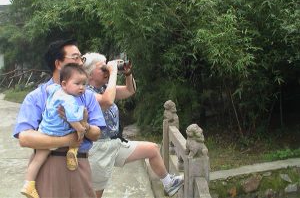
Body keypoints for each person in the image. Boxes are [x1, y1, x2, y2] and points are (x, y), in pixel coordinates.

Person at [13, 39, 106, 198]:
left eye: (81, 58)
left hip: (80, 163)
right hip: (49, 164)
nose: (80, 62)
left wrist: (85, 125)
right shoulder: (37, 97)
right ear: (58, 63)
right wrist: (67, 140)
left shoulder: (88, 96)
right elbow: (25, 138)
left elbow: (96, 134)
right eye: (75, 57)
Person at [83, 52, 184, 198]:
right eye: (102, 68)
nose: (107, 70)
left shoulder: (106, 89)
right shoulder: (86, 93)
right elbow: (107, 101)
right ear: (89, 74)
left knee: (153, 149)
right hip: (99, 149)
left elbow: (130, 90)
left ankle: (169, 183)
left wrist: (128, 73)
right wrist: (112, 73)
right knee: (95, 195)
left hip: (115, 143)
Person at [21, 63, 89, 198]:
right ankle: (72, 151)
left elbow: (48, 89)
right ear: (64, 84)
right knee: (82, 117)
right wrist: (81, 129)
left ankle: (28, 184)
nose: (81, 87)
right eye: (77, 84)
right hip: (60, 132)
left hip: (45, 130)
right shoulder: (69, 100)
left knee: (38, 159)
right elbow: (72, 119)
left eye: (84, 84)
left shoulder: (55, 89)